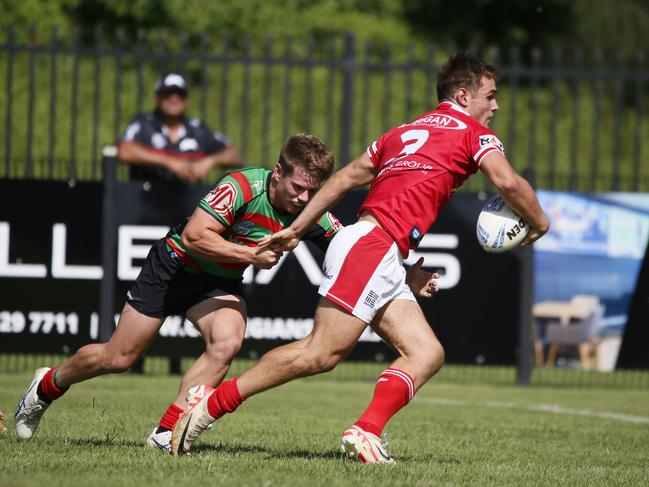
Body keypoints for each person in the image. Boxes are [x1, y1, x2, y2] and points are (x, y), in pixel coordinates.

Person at [170, 51, 550, 463]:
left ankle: (365, 431)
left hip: (377, 248)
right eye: (490, 96)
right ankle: (208, 405)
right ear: (463, 95)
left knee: (426, 353)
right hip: (372, 246)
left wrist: (299, 228)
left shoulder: (403, 131)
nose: (494, 106)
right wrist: (540, 223)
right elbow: (508, 183)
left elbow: (345, 178)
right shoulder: (473, 134)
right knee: (320, 353)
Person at [14, 133, 437, 451]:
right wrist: (251, 256)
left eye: (313, 191)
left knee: (227, 342)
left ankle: (167, 432)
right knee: (119, 357)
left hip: (217, 283)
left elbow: (356, 253)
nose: (304, 199)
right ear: (278, 173)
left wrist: (404, 274)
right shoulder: (242, 186)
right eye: (297, 188)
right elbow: (197, 235)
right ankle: (48, 385)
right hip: (174, 267)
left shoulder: (310, 213)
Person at [118, 73, 242, 185]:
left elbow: (235, 154)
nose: (174, 99)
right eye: (168, 94)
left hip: (190, 205)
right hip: (146, 203)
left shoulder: (198, 129)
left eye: (180, 94)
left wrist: (209, 161)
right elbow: (124, 151)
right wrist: (169, 162)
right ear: (157, 98)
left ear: (186, 100)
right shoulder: (143, 125)